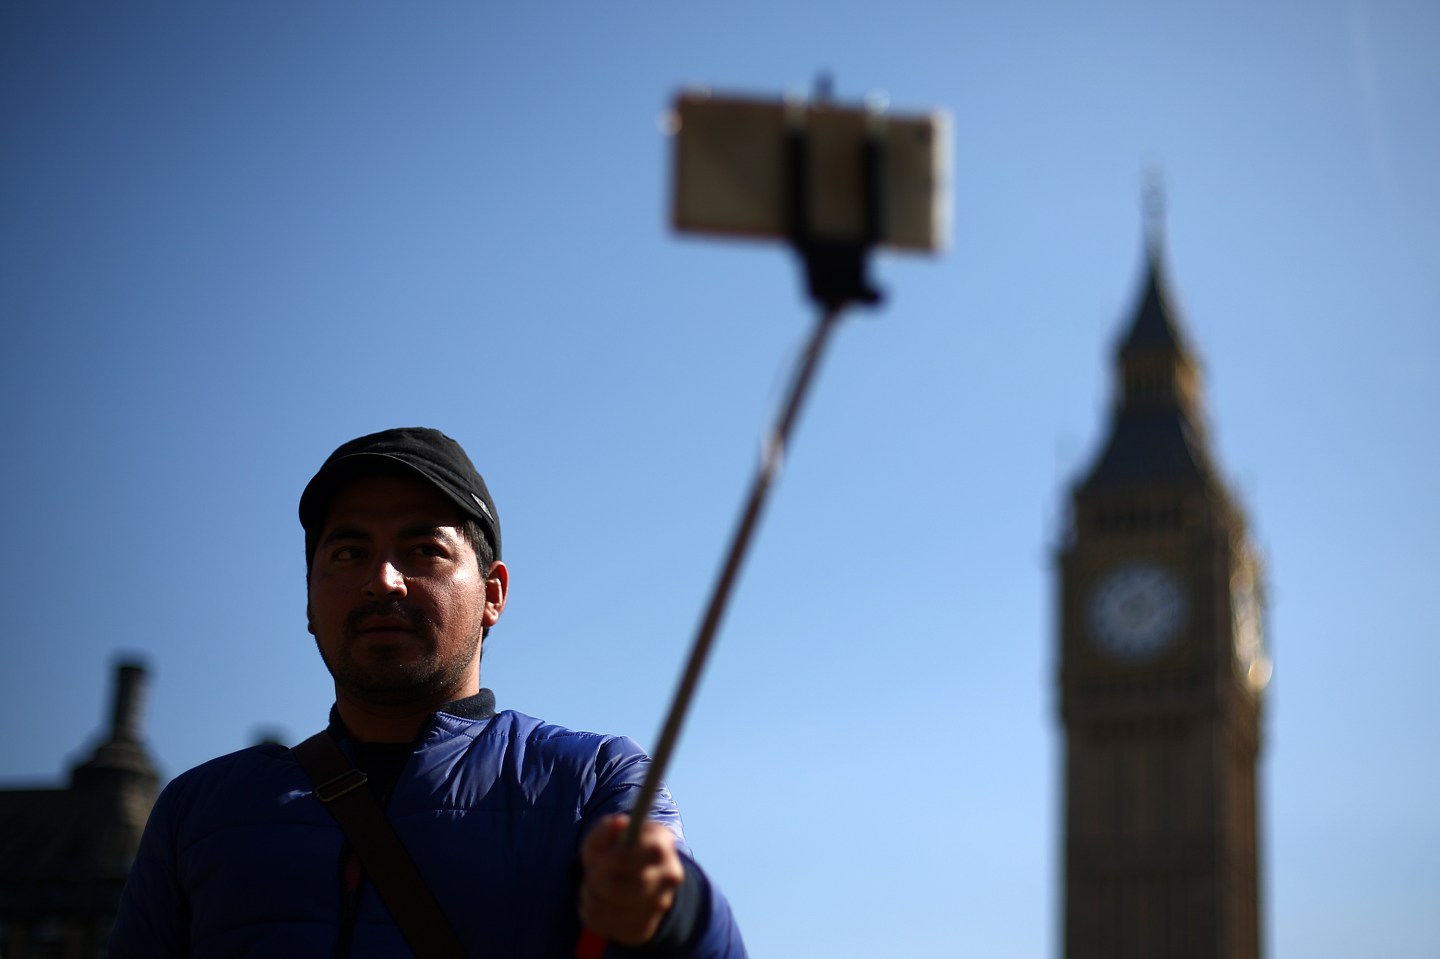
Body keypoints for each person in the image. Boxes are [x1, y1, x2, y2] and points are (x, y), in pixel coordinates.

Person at [110, 427, 746, 958]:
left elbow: (691, 925)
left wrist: (673, 909)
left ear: (493, 594)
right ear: (309, 597)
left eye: (424, 550)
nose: (382, 581)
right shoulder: (197, 812)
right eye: (350, 552)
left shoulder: (593, 779)